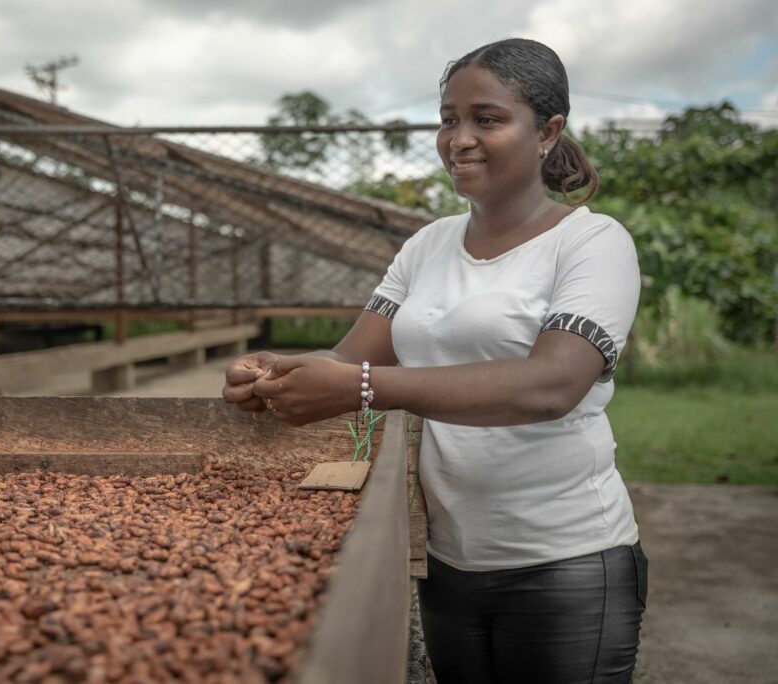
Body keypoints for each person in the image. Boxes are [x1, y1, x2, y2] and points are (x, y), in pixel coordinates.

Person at [222, 38, 647, 684]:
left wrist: (362, 386)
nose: (459, 139)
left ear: (548, 131)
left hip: (566, 562)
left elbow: (552, 384)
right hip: (448, 563)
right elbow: (347, 359)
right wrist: (273, 372)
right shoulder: (428, 246)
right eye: (449, 119)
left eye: (488, 118)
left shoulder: (592, 243)